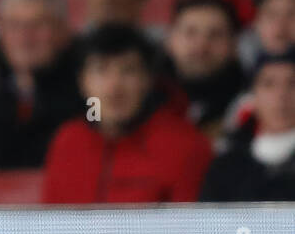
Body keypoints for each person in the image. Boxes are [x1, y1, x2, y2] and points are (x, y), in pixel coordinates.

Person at [42, 24, 212, 203]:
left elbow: (190, 228)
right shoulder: (67, 141)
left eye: (128, 70)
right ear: (82, 82)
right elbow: (50, 224)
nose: (114, 87)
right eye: (101, 70)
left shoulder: (185, 145)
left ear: (147, 81)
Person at [0, 0, 84, 168]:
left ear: (63, 31)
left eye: (38, 24)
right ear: (0, 32)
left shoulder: (88, 95)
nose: (25, 37)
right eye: (14, 25)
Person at [200, 48, 295, 202]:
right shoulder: (226, 167)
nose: (281, 95)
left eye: (292, 83)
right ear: (253, 96)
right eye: (269, 84)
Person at [163, 0, 246, 140]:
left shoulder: (252, 103)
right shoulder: (143, 97)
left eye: (216, 35)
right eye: (190, 33)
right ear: (170, 40)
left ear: (234, 45)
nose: (201, 46)